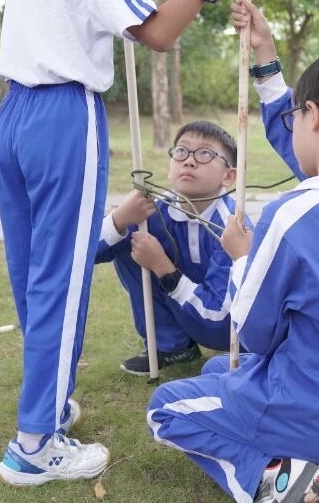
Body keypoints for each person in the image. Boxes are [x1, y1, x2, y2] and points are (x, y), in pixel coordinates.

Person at [0, 0, 264, 486]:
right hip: (63, 118)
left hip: (13, 118)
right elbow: (158, 34)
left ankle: (46, 404)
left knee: (34, 272)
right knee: (61, 277)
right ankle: (35, 442)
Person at [145, 0, 319, 503]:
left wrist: (242, 255)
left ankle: (271, 478)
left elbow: (255, 332)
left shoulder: (288, 216)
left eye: (298, 114)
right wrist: (264, 55)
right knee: (218, 370)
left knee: (165, 407)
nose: (293, 124)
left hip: (297, 407)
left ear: (316, 116)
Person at [96, 120, 250, 376]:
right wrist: (119, 219)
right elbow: (85, 256)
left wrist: (164, 269)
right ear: (170, 167)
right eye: (181, 151)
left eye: (205, 154)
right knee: (129, 240)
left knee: (150, 251)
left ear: (229, 175)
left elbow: (218, 320)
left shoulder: (233, 228)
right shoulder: (152, 211)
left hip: (229, 331)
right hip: (188, 309)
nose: (189, 161)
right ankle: (172, 346)